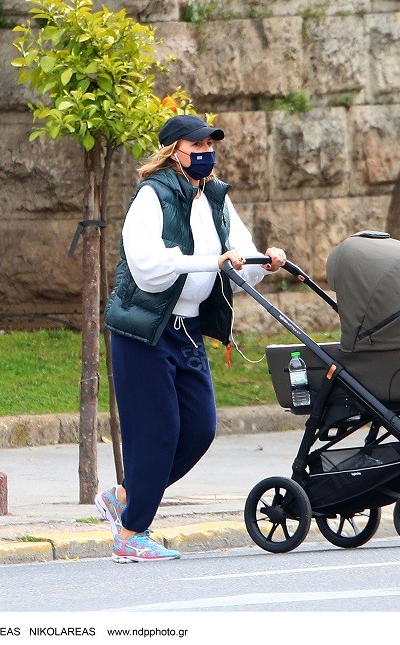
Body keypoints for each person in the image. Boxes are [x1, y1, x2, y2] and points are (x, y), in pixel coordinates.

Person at [95, 114, 286, 563]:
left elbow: (239, 265)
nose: (204, 154)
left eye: (209, 146)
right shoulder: (151, 196)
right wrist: (210, 260)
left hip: (188, 330)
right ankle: (131, 533)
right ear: (172, 153)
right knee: (158, 432)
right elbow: (146, 266)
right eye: (194, 147)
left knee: (200, 429)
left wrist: (264, 260)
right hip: (146, 330)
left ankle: (124, 495)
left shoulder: (217, 199)